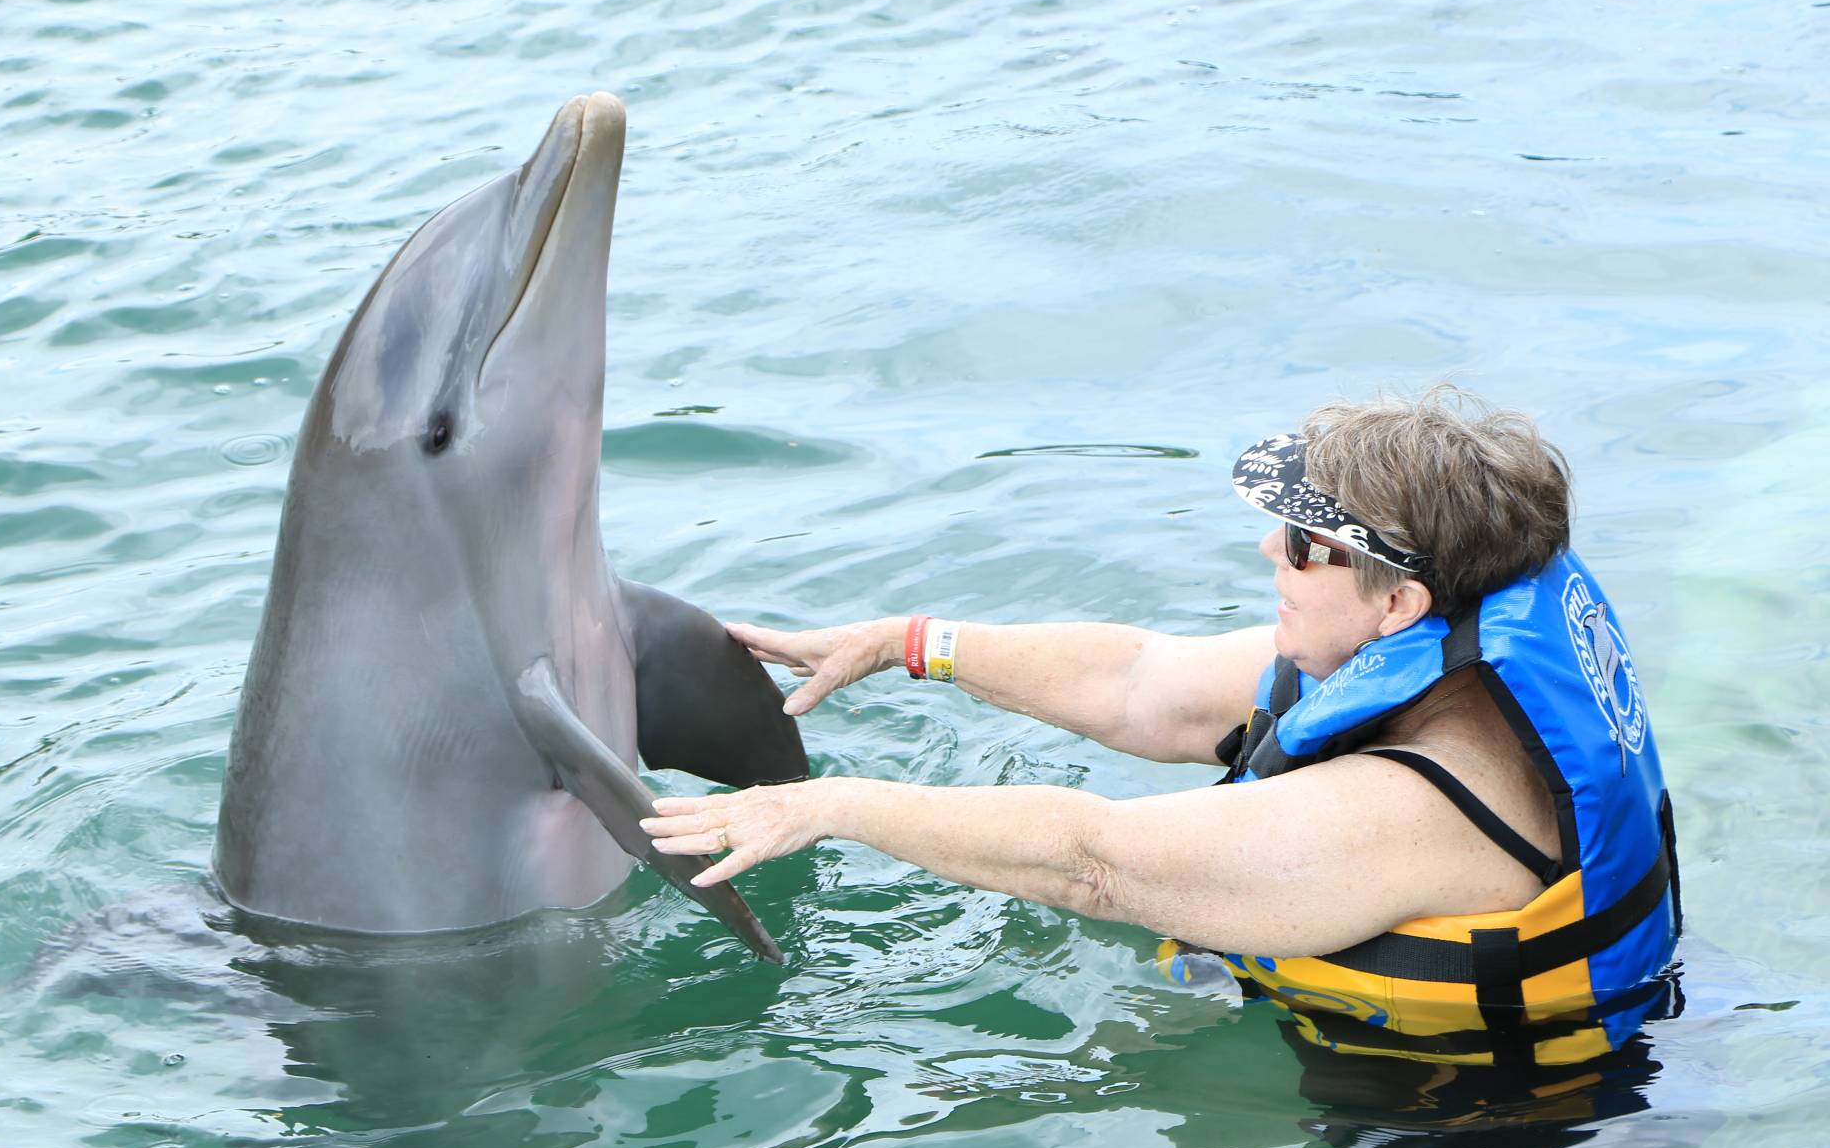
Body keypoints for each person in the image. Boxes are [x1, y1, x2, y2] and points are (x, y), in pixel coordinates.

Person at [642, 389, 1680, 1066]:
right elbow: (1142, 683)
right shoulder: (1428, 630)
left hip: (1469, 1117)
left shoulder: (1418, 797)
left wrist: (832, 806)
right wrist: (906, 642)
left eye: (1304, 544)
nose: (1270, 550)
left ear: (1398, 601)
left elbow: (1092, 861)